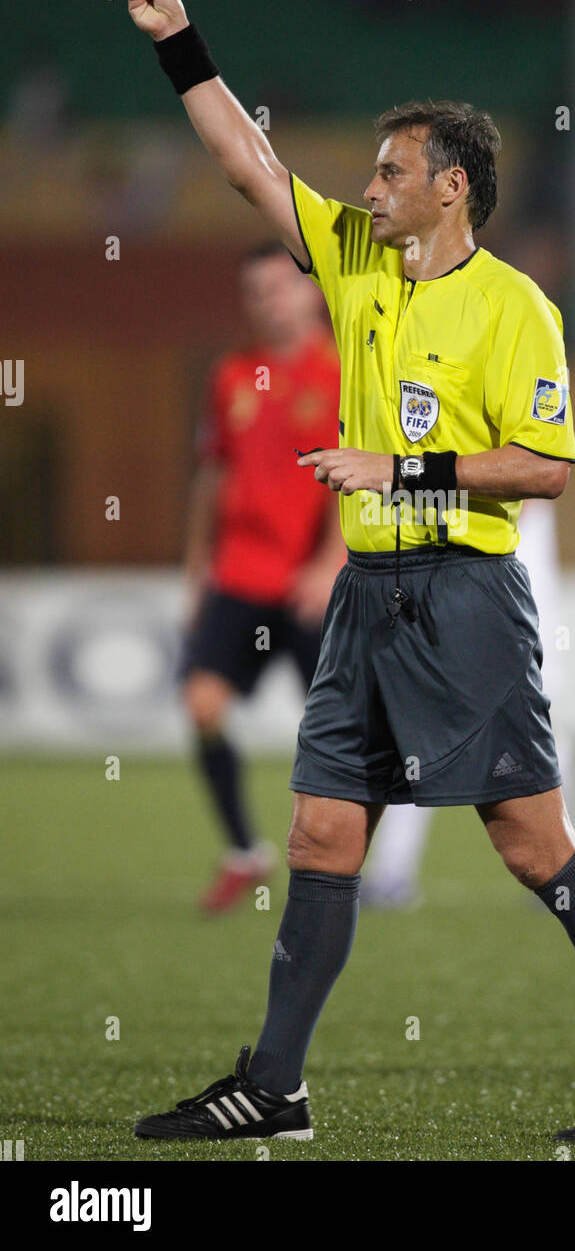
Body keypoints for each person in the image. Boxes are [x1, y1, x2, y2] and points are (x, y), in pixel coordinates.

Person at [127, 0, 575, 1145]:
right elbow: (249, 163)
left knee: (530, 840)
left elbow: (545, 467)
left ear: (450, 187)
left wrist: (409, 469)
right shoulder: (352, 259)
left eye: (390, 171)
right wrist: (177, 42)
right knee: (321, 831)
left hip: (462, 596)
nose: (369, 186)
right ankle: (276, 1085)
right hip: (367, 599)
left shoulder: (514, 308)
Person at [182, 242, 344, 912]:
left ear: (310, 292)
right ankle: (245, 851)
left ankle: (338, 866)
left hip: (310, 583)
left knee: (338, 731)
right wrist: (196, 562)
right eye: (256, 291)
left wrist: (331, 560)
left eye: (280, 287)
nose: (268, 301)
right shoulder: (231, 375)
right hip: (239, 575)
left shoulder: (342, 371)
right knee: (202, 705)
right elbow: (212, 472)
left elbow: (357, 472)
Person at [361, 501, 575, 907]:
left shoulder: (521, 465)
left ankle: (567, 869)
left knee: (540, 732)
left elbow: (527, 491)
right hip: (466, 592)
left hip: (515, 598)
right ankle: (392, 871)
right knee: (420, 724)